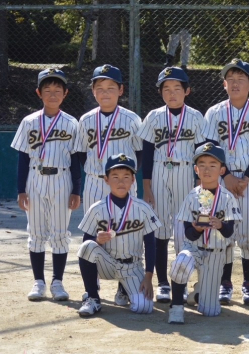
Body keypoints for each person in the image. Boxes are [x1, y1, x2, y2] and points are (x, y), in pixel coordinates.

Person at [201, 59, 249, 306]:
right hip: (220, 179)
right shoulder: (214, 112)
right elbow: (209, 147)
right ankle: (225, 284)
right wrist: (227, 176)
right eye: (230, 80)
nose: (235, 84)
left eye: (241, 79)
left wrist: (245, 178)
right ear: (224, 84)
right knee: (222, 231)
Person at [11, 68, 81, 301]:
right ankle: (39, 281)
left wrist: (76, 190)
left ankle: (57, 282)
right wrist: (21, 190)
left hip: (62, 179)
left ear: (65, 93)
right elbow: (22, 158)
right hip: (35, 178)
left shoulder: (72, 123)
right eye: (47, 90)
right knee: (37, 232)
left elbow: (75, 160)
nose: (52, 94)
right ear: (39, 93)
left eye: (57, 90)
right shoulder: (29, 121)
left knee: (60, 233)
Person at [137, 67, 206, 303]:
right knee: (159, 229)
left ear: (187, 91)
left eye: (177, 88)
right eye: (166, 88)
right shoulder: (154, 116)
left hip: (186, 170)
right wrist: (146, 187)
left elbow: (201, 153)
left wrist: (200, 187)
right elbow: (146, 154)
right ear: (160, 92)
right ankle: (163, 283)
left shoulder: (196, 116)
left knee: (184, 228)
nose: (172, 93)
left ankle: (181, 280)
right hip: (158, 169)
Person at [75, 64, 143, 303]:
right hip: (95, 181)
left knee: (126, 232)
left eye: (111, 87)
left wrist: (126, 178)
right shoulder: (85, 120)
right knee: (92, 233)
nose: (105, 93)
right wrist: (95, 171)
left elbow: (140, 151)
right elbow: (82, 153)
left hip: (124, 183)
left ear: (121, 90)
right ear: (93, 91)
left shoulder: (132, 119)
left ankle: (124, 286)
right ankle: (91, 287)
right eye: (100, 88)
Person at [76, 153, 162, 317]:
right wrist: (97, 240)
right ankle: (92, 297)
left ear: (133, 180)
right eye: (115, 176)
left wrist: (148, 276)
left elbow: (151, 244)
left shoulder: (142, 208)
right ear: (106, 179)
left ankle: (125, 288)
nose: (121, 181)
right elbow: (86, 244)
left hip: (132, 267)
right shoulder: (97, 208)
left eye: (126, 176)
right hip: (106, 263)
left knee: (144, 307)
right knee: (87, 247)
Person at [168, 143, 242, 323]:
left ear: (222, 170)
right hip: (193, 248)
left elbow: (229, 233)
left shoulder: (227, 198)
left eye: (212, 165)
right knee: (180, 262)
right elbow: (188, 234)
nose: (207, 169)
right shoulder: (191, 196)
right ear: (196, 169)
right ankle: (176, 306)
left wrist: (220, 225)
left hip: (216, 255)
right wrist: (197, 228)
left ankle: (199, 294)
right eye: (202, 164)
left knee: (210, 311)